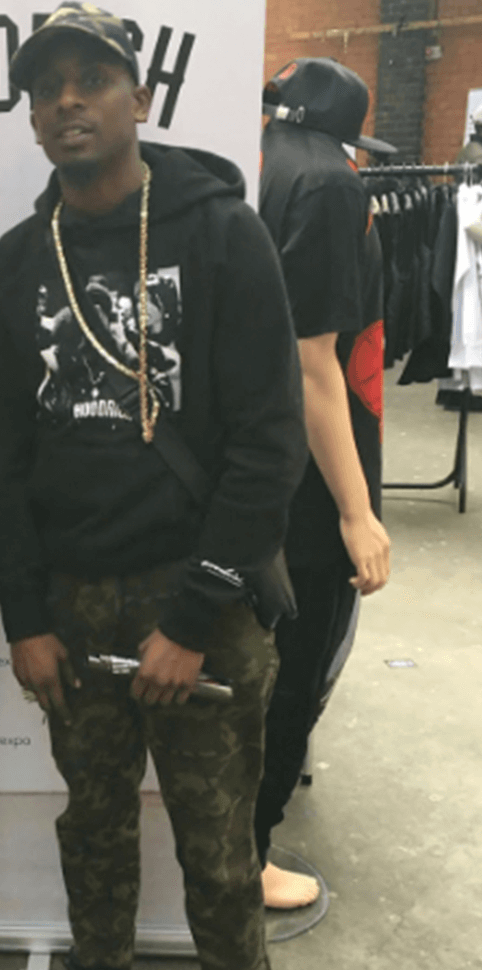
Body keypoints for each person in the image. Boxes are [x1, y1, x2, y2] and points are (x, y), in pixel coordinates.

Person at [0, 2, 307, 970]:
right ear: (33, 118)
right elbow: (1, 452)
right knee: (93, 836)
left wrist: (193, 617)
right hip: (70, 606)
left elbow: (268, 443)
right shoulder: (17, 261)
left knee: (221, 855)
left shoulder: (225, 234)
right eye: (47, 89)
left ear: (141, 98)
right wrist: (23, 614)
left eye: (93, 79)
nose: (68, 102)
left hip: (202, 596)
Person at [257, 58, 392, 908]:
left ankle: (241, 838)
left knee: (267, 658)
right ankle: (249, 851)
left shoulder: (257, 166)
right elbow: (317, 366)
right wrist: (357, 510)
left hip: (261, 462)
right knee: (299, 664)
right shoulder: (331, 186)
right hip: (313, 477)